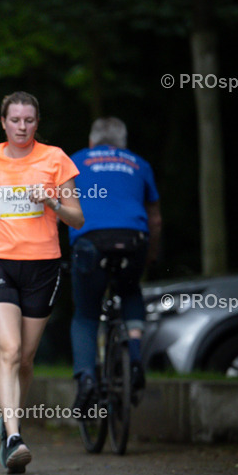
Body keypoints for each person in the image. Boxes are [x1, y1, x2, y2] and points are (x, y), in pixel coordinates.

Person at [0, 91, 84, 474]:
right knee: (10, 349)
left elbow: (77, 219)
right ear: (3, 122)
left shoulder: (55, 159)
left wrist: (51, 202)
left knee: (27, 358)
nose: (21, 127)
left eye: (29, 120)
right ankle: (14, 436)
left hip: (42, 266)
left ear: (37, 123)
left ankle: (8, 418)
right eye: (15, 120)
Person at [69, 118, 161, 410]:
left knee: (85, 315)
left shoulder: (74, 161)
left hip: (90, 243)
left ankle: (86, 378)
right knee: (130, 289)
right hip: (133, 240)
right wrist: (150, 254)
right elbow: (155, 218)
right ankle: (134, 359)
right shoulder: (139, 163)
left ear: (92, 141)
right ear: (123, 143)